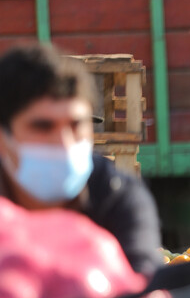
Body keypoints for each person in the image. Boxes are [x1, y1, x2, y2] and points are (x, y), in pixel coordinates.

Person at [0, 43, 162, 276]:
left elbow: (141, 292)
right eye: (42, 126)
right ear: (3, 138)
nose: (64, 143)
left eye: (76, 125)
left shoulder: (116, 195)